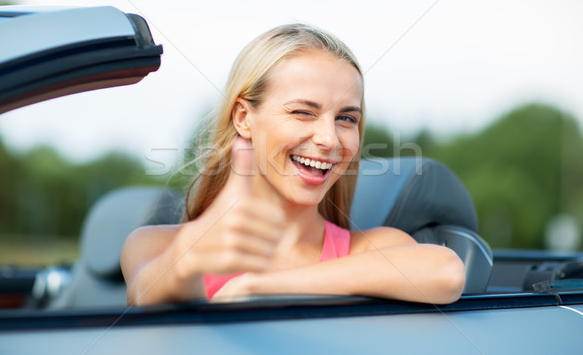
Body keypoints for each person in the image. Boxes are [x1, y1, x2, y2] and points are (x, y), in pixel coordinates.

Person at [121, 23, 465, 306]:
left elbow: (446, 272)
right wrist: (190, 257)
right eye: (303, 112)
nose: (329, 139)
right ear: (243, 118)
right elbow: (145, 294)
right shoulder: (156, 244)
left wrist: (258, 286)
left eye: (346, 118)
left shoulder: (370, 248)